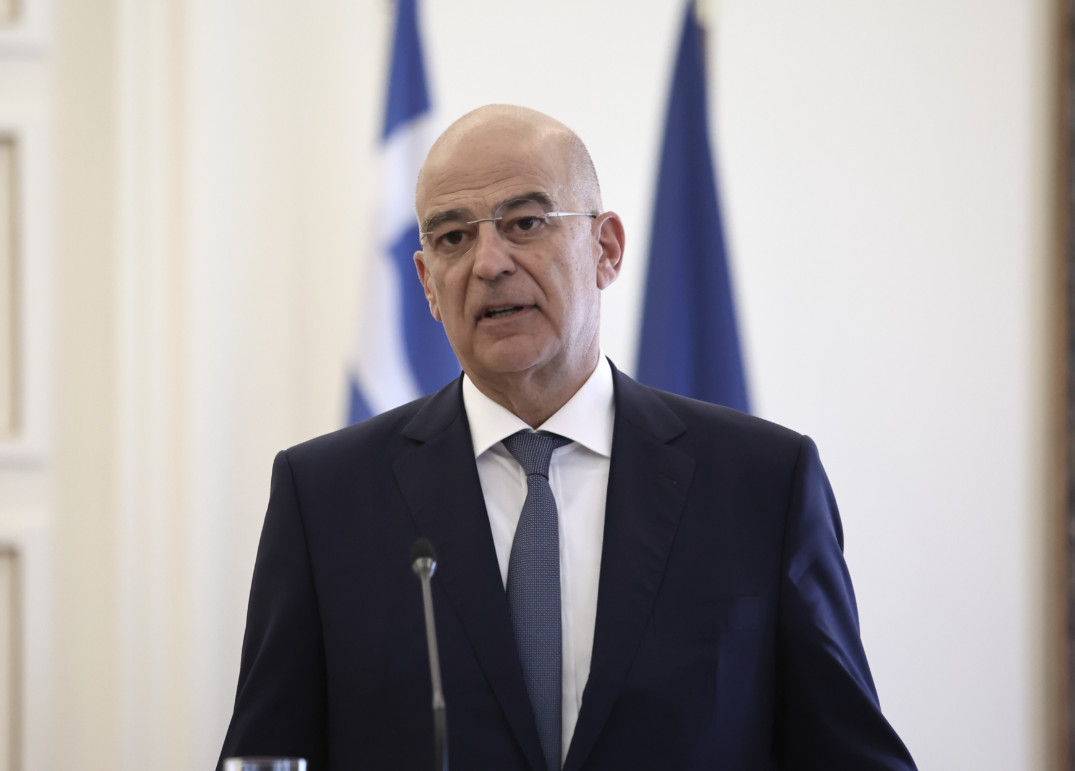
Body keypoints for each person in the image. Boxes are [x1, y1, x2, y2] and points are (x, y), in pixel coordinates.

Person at [217, 104, 916, 770]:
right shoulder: (326, 499)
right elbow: (268, 756)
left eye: (525, 223)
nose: (489, 263)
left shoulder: (762, 482)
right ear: (427, 283)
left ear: (605, 249)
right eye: (454, 237)